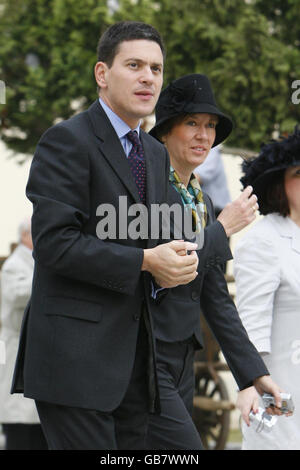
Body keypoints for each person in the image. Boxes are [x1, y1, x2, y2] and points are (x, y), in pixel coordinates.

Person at [10, 21, 200, 450]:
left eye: (156, 68)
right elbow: (56, 244)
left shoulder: (153, 151)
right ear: (102, 73)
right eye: (134, 65)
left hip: (136, 362)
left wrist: (173, 262)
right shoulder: (65, 140)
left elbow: (151, 238)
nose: (148, 77)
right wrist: (146, 262)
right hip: (74, 362)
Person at [146, 74, 287, 450]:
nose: (203, 136)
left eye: (210, 126)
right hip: (144, 354)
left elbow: (216, 297)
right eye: (191, 123)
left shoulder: (204, 202)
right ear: (164, 131)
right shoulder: (144, 192)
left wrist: (252, 374)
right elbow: (173, 268)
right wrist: (222, 230)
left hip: (183, 359)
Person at [234, 127, 300, 450]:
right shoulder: (263, 241)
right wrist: (248, 383)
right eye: (299, 173)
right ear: (279, 185)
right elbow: (249, 326)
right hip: (282, 401)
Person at [0, 218, 47, 450]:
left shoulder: (29, 261)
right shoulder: (14, 265)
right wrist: (50, 277)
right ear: (26, 236)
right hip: (18, 345)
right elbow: (18, 294)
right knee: (21, 428)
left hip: (36, 347)